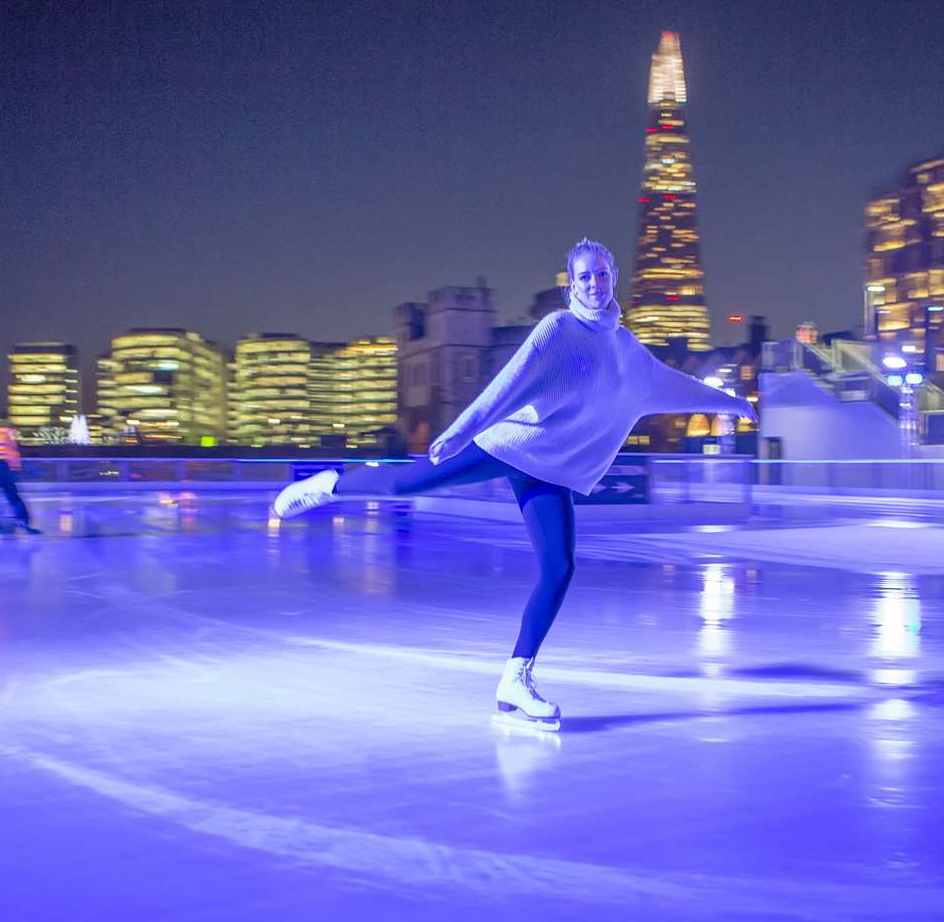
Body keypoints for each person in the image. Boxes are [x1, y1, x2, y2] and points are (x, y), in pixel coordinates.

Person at [269, 238, 756, 730]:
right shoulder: (558, 330)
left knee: (560, 568)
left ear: (613, 278)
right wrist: (462, 428)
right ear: (572, 281)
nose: (594, 284)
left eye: (602, 274)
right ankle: (329, 485)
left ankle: (515, 679)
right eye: (584, 276)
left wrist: (733, 405)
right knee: (405, 486)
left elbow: (673, 385)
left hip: (551, 472)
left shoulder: (626, 349)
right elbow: (510, 381)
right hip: (510, 446)